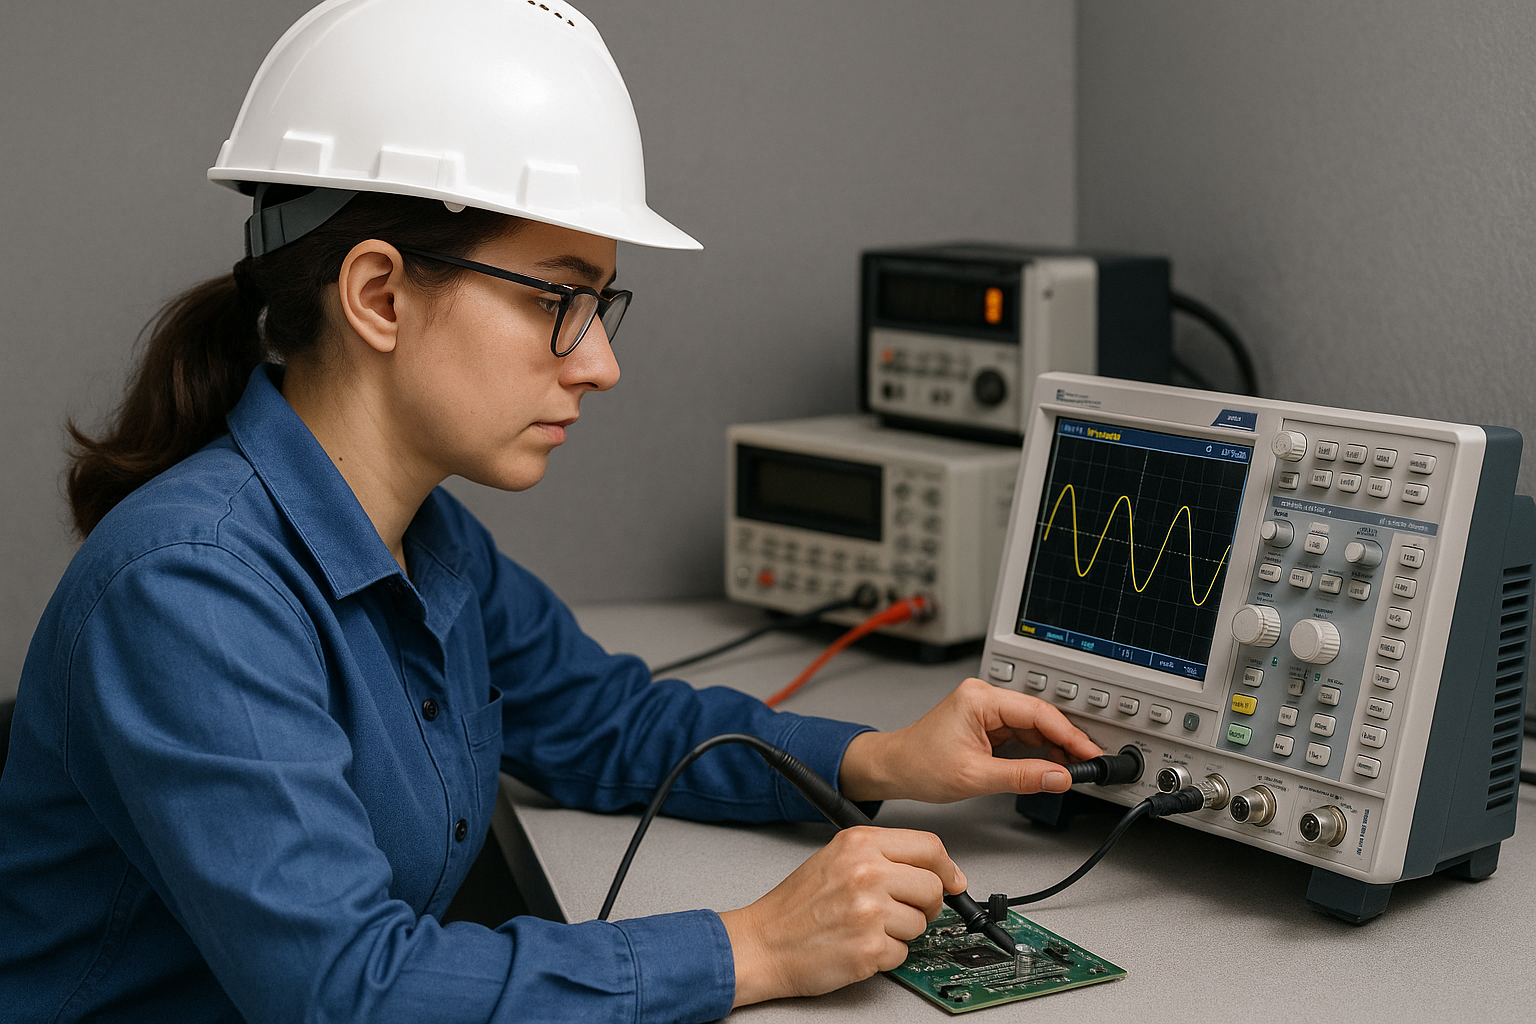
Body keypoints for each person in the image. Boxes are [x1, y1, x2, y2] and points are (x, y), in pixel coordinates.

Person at [0, 2, 1099, 1021]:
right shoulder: (191, 587)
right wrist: (752, 945)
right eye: (558, 300)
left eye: (602, 303)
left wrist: (877, 759)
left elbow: (606, 723)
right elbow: (347, 992)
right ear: (379, 295)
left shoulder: (425, 537)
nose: (603, 362)